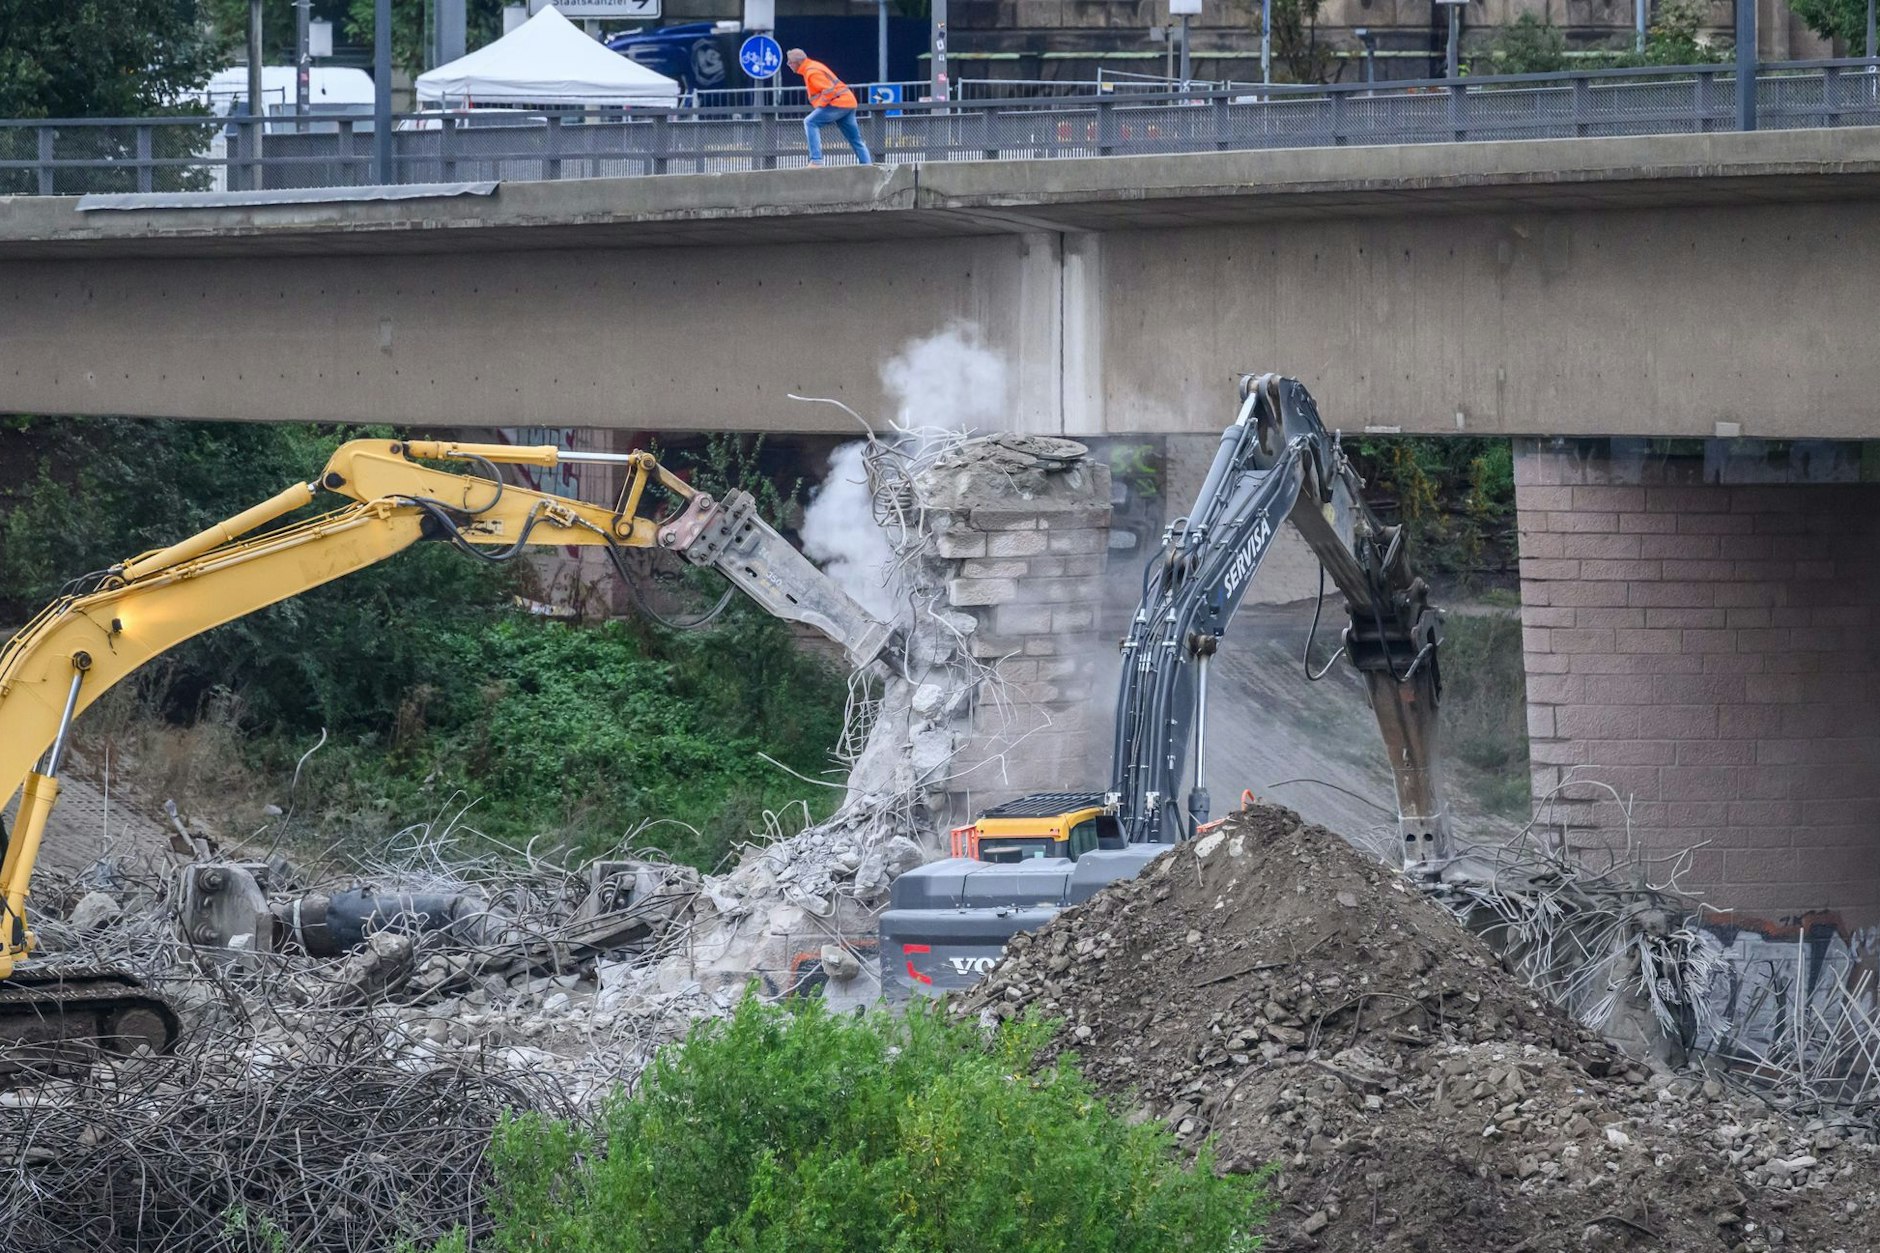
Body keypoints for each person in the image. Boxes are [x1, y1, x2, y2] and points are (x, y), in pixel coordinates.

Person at [786, 48, 872, 167]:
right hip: (848, 102)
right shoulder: (813, 66)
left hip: (838, 102)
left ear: (798, 63)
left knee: (810, 122)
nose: (788, 64)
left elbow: (828, 90)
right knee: (855, 139)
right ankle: (867, 166)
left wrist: (820, 106)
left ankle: (816, 160)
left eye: (790, 62)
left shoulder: (812, 72)